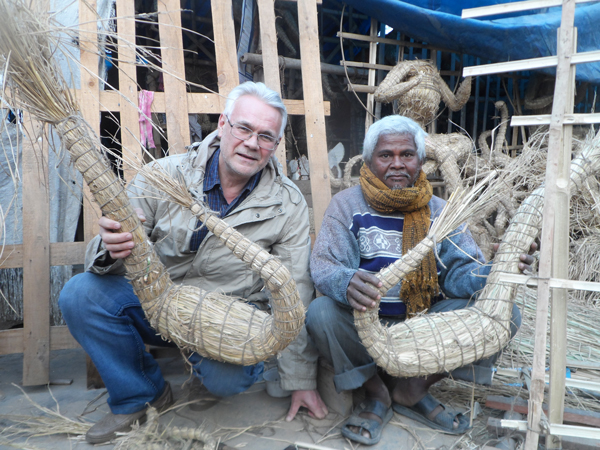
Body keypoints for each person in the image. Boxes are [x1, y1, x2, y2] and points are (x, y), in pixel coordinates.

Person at [59, 81, 327, 444]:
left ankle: (205, 368)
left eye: (266, 136)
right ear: (223, 124)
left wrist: (300, 380)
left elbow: (296, 291)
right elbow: (119, 242)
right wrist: (111, 246)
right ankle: (140, 395)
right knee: (81, 294)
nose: (252, 143)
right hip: (157, 303)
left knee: (227, 381)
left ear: (276, 145)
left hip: (225, 316)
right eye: (244, 128)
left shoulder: (288, 204)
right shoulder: (165, 176)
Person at [306, 115, 535, 446]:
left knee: (505, 314)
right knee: (321, 313)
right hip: (364, 323)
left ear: (420, 160)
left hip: (424, 325)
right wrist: (346, 281)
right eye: (386, 155)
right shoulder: (347, 205)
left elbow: (459, 276)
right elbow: (324, 265)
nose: (397, 163)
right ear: (369, 161)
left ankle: (413, 388)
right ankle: (376, 391)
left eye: (407, 155)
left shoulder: (442, 211)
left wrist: (497, 270)